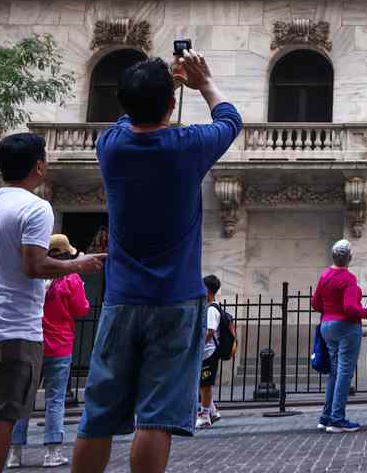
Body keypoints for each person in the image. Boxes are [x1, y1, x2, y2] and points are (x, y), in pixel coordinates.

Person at [71, 53, 241, 473]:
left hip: (121, 298)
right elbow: (230, 119)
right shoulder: (187, 147)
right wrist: (201, 82)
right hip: (177, 301)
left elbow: (128, 115)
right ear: (170, 106)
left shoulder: (110, 146)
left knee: (98, 417)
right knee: (156, 419)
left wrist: (157, 89)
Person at [0, 135, 104, 473]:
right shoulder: (35, 207)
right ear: (39, 166)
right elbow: (35, 265)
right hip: (15, 329)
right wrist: (78, 264)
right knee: (2, 421)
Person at [8, 234, 90, 468]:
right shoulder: (70, 279)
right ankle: (52, 452)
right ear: (66, 254)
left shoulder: (33, 275)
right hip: (60, 346)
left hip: (32, 342)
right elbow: (81, 309)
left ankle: (15, 453)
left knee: (23, 398)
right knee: (55, 400)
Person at [310, 239, 367, 432]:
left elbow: (315, 302)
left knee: (335, 372)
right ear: (349, 257)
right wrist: (366, 313)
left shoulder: (325, 275)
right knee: (344, 372)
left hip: (327, 325)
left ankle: (326, 416)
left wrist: (328, 311)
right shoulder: (348, 279)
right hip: (346, 327)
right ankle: (337, 418)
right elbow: (350, 308)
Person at [197, 274, 224, 429]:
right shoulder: (211, 306)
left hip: (208, 352)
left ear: (207, 290)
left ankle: (205, 415)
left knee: (205, 385)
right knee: (203, 383)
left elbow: (210, 331)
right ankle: (212, 411)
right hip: (207, 352)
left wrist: (200, 345)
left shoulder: (211, 310)